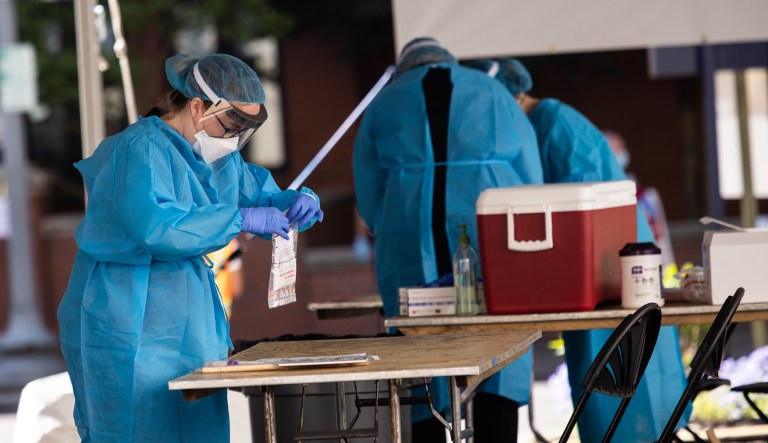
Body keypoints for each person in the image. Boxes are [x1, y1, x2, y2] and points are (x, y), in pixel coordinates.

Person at [57, 53, 323, 442]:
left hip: (189, 318)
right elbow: (157, 227)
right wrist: (240, 219)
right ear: (198, 106)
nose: (235, 137)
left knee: (198, 422)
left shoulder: (218, 159)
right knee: (135, 427)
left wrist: (297, 204)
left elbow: (259, 196)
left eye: (245, 127)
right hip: (125, 311)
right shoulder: (141, 149)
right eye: (232, 123)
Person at [468, 57, 690, 442]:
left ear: (514, 97)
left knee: (619, 359)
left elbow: (575, 212)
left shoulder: (555, 124)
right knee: (610, 359)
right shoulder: (541, 124)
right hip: (602, 259)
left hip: (608, 258)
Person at [353, 38, 544, 442]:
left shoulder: (386, 102)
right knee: (499, 337)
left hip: (409, 235)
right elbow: (531, 177)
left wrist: (386, 224)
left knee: (419, 347)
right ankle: (497, 429)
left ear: (406, 67)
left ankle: (429, 428)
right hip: (491, 231)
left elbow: (369, 191)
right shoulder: (493, 91)